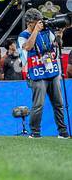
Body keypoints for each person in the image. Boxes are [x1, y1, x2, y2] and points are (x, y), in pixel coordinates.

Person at [15, 10, 69, 139]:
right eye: (36, 21)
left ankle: (63, 132)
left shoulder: (46, 31)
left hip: (52, 72)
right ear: (29, 23)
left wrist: (59, 34)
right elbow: (27, 47)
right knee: (38, 105)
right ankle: (35, 132)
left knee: (59, 104)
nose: (40, 23)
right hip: (37, 74)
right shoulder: (23, 35)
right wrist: (35, 31)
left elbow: (57, 44)